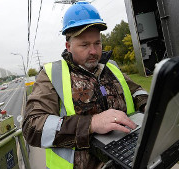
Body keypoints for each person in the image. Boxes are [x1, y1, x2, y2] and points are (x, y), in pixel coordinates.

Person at [22, 2, 148, 169]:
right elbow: (32, 126)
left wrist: (149, 106)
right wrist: (92, 123)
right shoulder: (52, 74)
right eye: (85, 45)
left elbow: (137, 91)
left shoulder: (112, 67)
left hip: (127, 160)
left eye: (97, 43)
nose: (94, 51)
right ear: (68, 46)